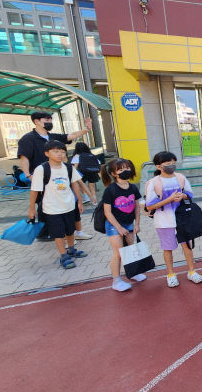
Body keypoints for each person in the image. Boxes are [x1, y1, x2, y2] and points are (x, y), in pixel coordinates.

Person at [17, 111, 92, 240]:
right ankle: (46, 233)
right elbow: (24, 157)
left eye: (51, 120)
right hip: (41, 176)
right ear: (36, 121)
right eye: (46, 120)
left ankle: (61, 232)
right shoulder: (28, 139)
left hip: (58, 176)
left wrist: (86, 130)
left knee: (62, 201)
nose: (49, 123)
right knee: (43, 204)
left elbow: (71, 135)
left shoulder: (53, 137)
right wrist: (28, 175)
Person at [144, 151, 202, 288]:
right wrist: (169, 199)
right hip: (164, 221)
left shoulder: (180, 178)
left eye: (173, 163)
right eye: (167, 164)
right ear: (159, 166)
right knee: (168, 248)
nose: (171, 166)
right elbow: (150, 205)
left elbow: (189, 194)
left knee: (187, 245)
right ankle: (170, 274)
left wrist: (183, 196)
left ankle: (192, 271)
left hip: (182, 218)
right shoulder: (153, 183)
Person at [27, 140, 87, 269]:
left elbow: (74, 184)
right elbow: (34, 190)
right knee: (58, 233)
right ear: (47, 153)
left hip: (69, 205)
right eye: (56, 151)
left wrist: (80, 201)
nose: (60, 154)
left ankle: (72, 249)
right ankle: (63, 255)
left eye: (62, 151)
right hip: (52, 208)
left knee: (70, 230)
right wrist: (32, 208)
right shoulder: (42, 169)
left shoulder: (68, 167)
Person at [101, 158, 146, 292]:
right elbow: (107, 212)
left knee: (132, 249)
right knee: (119, 253)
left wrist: (137, 224)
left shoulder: (132, 187)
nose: (125, 171)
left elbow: (137, 207)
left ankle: (133, 273)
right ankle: (116, 281)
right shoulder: (110, 190)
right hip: (113, 226)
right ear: (114, 173)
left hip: (129, 224)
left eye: (127, 168)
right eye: (121, 170)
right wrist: (119, 228)